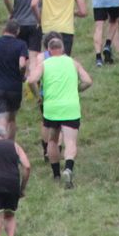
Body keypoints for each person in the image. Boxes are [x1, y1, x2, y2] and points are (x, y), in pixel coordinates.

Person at [33, 34, 93, 185]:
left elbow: (31, 80)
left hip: (52, 108)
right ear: (63, 49)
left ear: (48, 49)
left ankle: (56, 174)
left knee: (52, 140)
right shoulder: (73, 62)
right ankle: (68, 168)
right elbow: (88, 81)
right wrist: (77, 89)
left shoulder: (44, 64)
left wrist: (38, 95)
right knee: (70, 141)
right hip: (70, 107)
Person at [0, 17, 33, 140]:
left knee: (1, 120)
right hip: (14, 88)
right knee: (11, 119)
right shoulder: (21, 44)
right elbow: (22, 64)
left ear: (4, 29)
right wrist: (22, 74)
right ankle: (10, 146)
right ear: (17, 32)